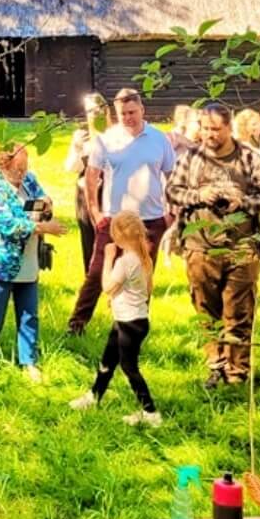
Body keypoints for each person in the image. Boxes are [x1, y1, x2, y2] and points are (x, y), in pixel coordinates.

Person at [165, 101, 260, 388]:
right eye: (205, 128)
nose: (209, 135)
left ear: (229, 127)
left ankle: (238, 373)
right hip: (200, 245)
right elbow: (173, 192)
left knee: (238, 310)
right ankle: (215, 365)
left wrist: (243, 201)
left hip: (243, 246)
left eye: (216, 129)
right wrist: (201, 195)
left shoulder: (249, 158)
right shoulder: (190, 158)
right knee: (206, 310)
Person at [67, 89, 177, 336]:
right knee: (96, 273)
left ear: (142, 110)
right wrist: (95, 212)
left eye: (132, 112)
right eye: (123, 114)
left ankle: (135, 325)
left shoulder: (159, 139)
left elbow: (174, 176)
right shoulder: (106, 140)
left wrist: (172, 212)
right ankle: (77, 324)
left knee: (143, 273)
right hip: (114, 218)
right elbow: (92, 176)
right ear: (116, 114)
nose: (128, 117)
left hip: (150, 218)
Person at [0, 145, 66, 380]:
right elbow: (8, 224)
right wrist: (42, 226)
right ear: (4, 166)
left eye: (25, 168)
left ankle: (29, 361)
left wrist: (45, 203)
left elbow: (40, 200)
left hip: (28, 261)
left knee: (29, 314)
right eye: (17, 169)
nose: (22, 173)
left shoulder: (29, 180)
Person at [69, 211, 160, 425]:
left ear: (117, 236)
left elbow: (107, 287)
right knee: (107, 360)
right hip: (132, 320)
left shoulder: (126, 261)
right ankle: (94, 395)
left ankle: (150, 412)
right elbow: (145, 291)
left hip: (129, 324)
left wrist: (108, 258)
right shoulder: (142, 257)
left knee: (129, 368)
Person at [66, 94, 106, 274]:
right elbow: (72, 167)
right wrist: (76, 148)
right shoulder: (81, 135)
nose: (94, 114)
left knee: (108, 236)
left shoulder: (115, 134)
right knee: (88, 236)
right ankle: (91, 278)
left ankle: (111, 278)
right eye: (90, 111)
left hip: (109, 191)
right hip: (85, 192)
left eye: (97, 109)